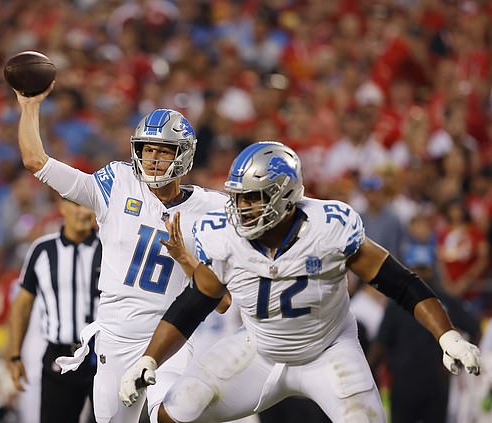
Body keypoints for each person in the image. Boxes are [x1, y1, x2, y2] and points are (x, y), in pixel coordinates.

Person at [119, 141, 481, 423]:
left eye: (253, 198)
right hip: (259, 349)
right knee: (174, 411)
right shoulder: (224, 237)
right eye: (238, 197)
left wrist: (446, 335)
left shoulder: (329, 228)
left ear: (285, 195)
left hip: (329, 351)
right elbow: (196, 299)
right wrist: (150, 359)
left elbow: (399, 282)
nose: (241, 207)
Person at [14, 85, 228, 423]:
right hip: (114, 341)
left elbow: (222, 302)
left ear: (183, 155)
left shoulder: (211, 209)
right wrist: (29, 106)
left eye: (164, 151)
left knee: (171, 416)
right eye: (147, 150)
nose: (153, 159)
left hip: (170, 338)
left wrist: (185, 258)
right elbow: (35, 160)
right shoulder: (116, 183)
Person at [7, 198, 101, 423]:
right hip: (59, 355)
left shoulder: (109, 248)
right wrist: (14, 355)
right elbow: (22, 304)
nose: (82, 212)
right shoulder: (42, 250)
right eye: (75, 204)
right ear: (61, 207)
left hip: (104, 356)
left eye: (87, 205)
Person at [368, 243, 480, 423]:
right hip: (403, 383)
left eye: (425, 268)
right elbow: (382, 341)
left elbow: (474, 329)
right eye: (418, 268)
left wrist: (462, 361)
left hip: (436, 383)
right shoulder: (396, 305)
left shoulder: (445, 301)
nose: (422, 274)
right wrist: (369, 369)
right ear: (409, 269)